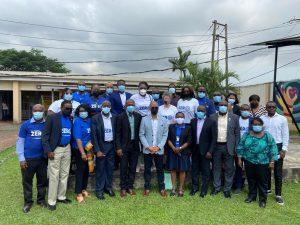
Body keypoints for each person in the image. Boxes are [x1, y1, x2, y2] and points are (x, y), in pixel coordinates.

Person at [237, 117, 278, 208]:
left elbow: (273, 148)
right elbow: (240, 146)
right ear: (251, 125)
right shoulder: (246, 135)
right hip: (249, 161)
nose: (256, 126)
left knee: (262, 181)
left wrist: (272, 161)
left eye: (259, 124)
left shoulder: (267, 136)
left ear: (262, 125)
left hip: (263, 163)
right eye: (254, 124)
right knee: (251, 179)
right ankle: (252, 196)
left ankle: (263, 200)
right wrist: (239, 158)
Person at [42, 100, 73, 211]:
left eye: (71, 109)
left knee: (65, 174)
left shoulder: (70, 118)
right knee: (54, 175)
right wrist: (48, 150)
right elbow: (45, 136)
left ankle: (61, 196)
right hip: (55, 149)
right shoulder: (52, 118)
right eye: (67, 108)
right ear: (61, 107)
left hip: (67, 148)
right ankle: (51, 201)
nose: (69, 110)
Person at [16, 104, 47, 213]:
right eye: (35, 110)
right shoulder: (26, 125)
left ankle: (41, 200)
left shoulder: (47, 124)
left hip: (43, 158)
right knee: (27, 181)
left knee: (42, 181)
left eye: (39, 110)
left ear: (43, 111)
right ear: (32, 111)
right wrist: (21, 158)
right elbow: (20, 141)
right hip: (28, 158)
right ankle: (28, 202)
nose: (37, 112)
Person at [210, 100, 240, 198]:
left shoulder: (235, 117)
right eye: (221, 105)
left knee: (229, 169)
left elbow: (237, 134)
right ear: (218, 106)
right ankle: (216, 188)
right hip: (216, 146)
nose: (222, 106)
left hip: (229, 146)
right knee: (216, 168)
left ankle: (227, 189)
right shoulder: (212, 117)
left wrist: (236, 148)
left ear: (228, 107)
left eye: (225, 105)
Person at [261, 101, 289, 205]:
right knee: (266, 169)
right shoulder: (262, 119)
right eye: (269, 107)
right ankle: (268, 189)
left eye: (273, 107)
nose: (271, 108)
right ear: (266, 108)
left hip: (278, 146)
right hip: (265, 147)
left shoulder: (282, 119)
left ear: (276, 108)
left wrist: (284, 149)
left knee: (277, 171)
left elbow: (285, 135)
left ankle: (278, 195)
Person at [139, 101, 168, 197]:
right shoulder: (144, 120)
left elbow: (165, 135)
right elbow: (141, 134)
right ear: (149, 108)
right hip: (148, 150)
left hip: (159, 150)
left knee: (160, 169)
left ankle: (162, 188)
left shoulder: (164, 120)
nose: (154, 109)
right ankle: (147, 188)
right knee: (147, 170)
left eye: (156, 107)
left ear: (158, 108)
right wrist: (148, 146)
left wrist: (159, 147)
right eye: (152, 107)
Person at [116, 99, 142, 197]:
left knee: (132, 167)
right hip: (123, 146)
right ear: (125, 106)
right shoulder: (120, 117)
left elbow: (140, 132)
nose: (131, 106)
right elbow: (117, 134)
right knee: (123, 168)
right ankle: (123, 188)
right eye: (129, 105)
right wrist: (118, 147)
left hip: (135, 146)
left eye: (132, 105)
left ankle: (130, 187)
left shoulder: (138, 116)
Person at [91, 101, 116, 200]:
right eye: (104, 106)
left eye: (108, 106)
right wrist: (97, 150)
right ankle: (99, 190)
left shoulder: (114, 117)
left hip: (111, 146)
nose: (106, 107)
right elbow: (94, 135)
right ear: (101, 107)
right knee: (100, 169)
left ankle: (108, 187)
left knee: (110, 168)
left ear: (110, 107)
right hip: (101, 146)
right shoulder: (95, 118)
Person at [190, 105, 213, 197]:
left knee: (205, 171)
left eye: (202, 111)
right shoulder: (193, 121)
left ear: (205, 112)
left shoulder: (211, 122)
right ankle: (195, 188)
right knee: (194, 170)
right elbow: (191, 136)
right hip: (195, 149)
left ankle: (204, 190)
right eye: (198, 110)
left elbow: (213, 138)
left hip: (206, 151)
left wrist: (210, 151)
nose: (200, 112)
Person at [167, 112, 192, 197]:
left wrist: (180, 148)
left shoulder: (188, 128)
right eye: (178, 117)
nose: (179, 118)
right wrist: (173, 148)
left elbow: (189, 141)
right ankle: (173, 188)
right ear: (175, 118)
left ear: (184, 118)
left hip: (183, 152)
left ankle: (181, 188)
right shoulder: (171, 127)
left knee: (182, 170)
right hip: (172, 151)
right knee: (173, 170)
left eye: (181, 117)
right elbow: (168, 139)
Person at [73, 104, 92, 203]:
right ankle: (78, 193)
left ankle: (83, 189)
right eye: (81, 111)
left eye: (84, 111)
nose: (83, 113)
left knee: (87, 170)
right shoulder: (77, 121)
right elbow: (78, 139)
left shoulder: (89, 120)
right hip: (80, 150)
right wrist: (82, 153)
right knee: (80, 171)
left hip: (89, 149)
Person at [233, 104, 252, 194]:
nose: (245, 111)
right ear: (240, 110)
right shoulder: (236, 120)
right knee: (238, 167)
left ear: (250, 110)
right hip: (238, 147)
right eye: (243, 109)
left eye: (247, 109)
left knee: (249, 168)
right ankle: (238, 186)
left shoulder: (253, 120)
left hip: (249, 149)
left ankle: (251, 187)